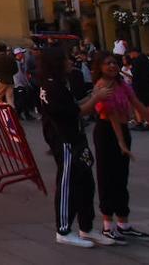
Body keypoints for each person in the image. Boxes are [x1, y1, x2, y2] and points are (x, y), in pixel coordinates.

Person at [91, 51, 149, 242]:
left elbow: (139, 106)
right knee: (107, 177)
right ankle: (107, 225)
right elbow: (110, 115)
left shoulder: (121, 85)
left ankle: (123, 223)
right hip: (106, 133)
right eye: (107, 64)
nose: (112, 66)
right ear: (100, 67)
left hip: (122, 130)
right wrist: (120, 142)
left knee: (121, 177)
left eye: (114, 62)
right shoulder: (102, 86)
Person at [36, 45, 113, 247]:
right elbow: (76, 112)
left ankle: (86, 227)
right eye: (66, 59)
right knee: (67, 184)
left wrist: (93, 95)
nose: (70, 62)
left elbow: (75, 106)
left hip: (76, 137)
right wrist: (96, 98)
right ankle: (63, 229)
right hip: (66, 140)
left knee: (86, 183)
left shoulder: (59, 83)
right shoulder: (53, 86)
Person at [0, 43, 19, 108]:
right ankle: (12, 113)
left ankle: (1, 114)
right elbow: (16, 70)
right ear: (5, 49)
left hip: (0, 80)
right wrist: (10, 74)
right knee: (10, 99)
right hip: (10, 80)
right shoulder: (11, 58)